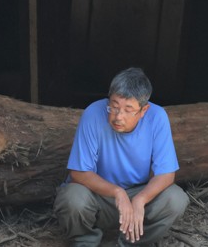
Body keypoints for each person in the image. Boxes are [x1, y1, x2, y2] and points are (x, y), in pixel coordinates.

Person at [54, 67, 189, 246]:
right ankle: (84, 241)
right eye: (114, 106)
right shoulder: (93, 114)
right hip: (99, 196)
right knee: (72, 197)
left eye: (128, 109)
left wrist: (140, 199)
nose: (118, 116)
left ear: (143, 110)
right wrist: (118, 193)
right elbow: (78, 172)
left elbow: (166, 174)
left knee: (176, 199)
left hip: (138, 193)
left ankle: (132, 242)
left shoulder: (157, 117)